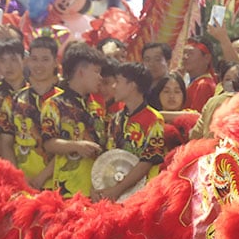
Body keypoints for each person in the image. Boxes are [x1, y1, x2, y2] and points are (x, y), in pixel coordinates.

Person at [40, 45, 107, 198]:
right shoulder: (55, 104)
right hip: (68, 189)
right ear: (81, 72)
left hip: (96, 188)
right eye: (96, 71)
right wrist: (76, 146)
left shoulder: (96, 107)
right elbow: (48, 144)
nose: (100, 77)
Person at [97, 63, 163, 201]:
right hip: (113, 191)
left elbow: (147, 161)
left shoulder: (154, 120)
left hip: (141, 195)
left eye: (118, 82)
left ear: (132, 85)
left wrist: (117, 189)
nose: (114, 87)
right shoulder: (116, 118)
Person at [9, 37, 62, 188]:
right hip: (20, 182)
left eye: (45, 59)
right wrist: (18, 176)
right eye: (34, 59)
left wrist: (41, 178)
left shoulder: (65, 102)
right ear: (27, 61)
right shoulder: (16, 99)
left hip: (55, 183)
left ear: (55, 62)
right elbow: (7, 142)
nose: (39, 65)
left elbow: (68, 147)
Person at [182, 39, 217, 113]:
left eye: (190, 53)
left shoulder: (204, 85)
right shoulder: (194, 82)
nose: (185, 57)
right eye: (184, 53)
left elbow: (196, 117)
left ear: (207, 58)